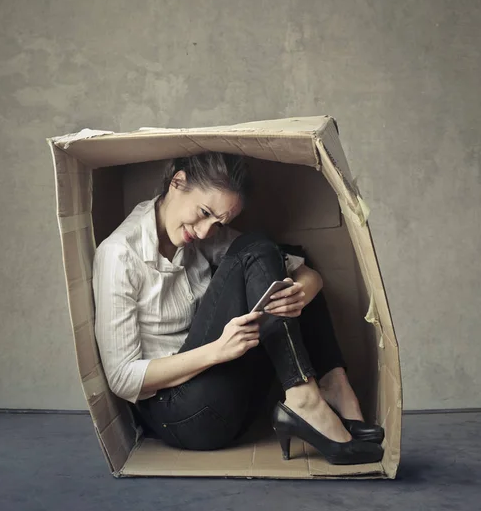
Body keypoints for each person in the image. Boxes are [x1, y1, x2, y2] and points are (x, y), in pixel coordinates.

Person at [93, 152, 384, 465]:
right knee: (255, 249)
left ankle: (332, 386)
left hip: (237, 403)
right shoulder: (118, 255)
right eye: (203, 212)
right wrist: (217, 351)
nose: (205, 231)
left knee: (279, 258)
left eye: (219, 223)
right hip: (183, 416)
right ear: (177, 182)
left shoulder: (200, 235)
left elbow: (293, 266)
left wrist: (307, 288)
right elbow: (122, 378)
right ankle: (305, 400)